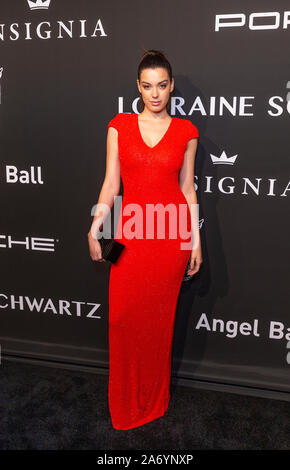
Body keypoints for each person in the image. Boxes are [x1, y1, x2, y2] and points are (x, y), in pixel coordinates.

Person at [87, 49, 202, 430]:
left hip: (170, 240)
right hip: (130, 238)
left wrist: (195, 241)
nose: (155, 94)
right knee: (121, 320)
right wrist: (95, 227)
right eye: (148, 86)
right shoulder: (119, 125)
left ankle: (154, 399)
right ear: (138, 86)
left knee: (158, 324)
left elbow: (188, 191)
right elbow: (110, 184)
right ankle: (126, 402)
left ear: (171, 86)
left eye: (162, 85)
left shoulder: (187, 132)